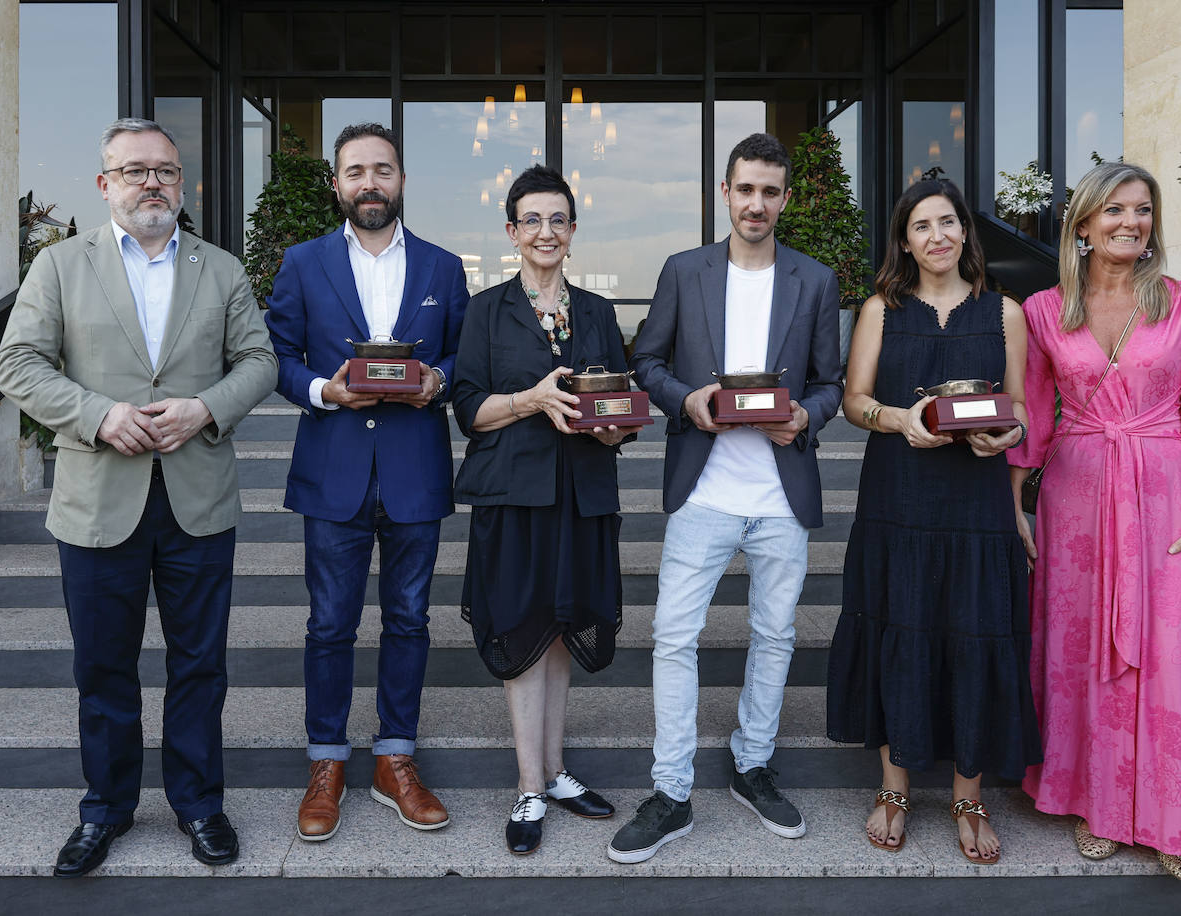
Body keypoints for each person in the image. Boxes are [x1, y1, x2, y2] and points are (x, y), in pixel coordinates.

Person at [0, 118, 277, 877]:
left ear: (183, 184)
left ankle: (199, 805)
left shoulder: (221, 269)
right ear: (104, 184)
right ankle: (106, 809)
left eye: (165, 171)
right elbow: (16, 364)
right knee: (104, 669)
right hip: (97, 500)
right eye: (134, 171)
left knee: (199, 666)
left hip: (198, 497)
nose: (152, 182)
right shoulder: (59, 266)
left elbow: (260, 361)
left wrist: (206, 408)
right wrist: (99, 415)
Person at [1008, 163, 1181, 885]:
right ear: (1081, 225)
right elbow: (1032, 411)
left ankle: (1173, 821)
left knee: (1170, 653)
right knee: (1079, 653)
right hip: (1075, 500)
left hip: (1166, 494)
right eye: (1113, 211)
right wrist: (1011, 502)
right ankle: (1095, 805)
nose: (1130, 223)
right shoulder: (1044, 310)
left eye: (1142, 211)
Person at [609, 133, 844, 864]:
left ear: (785, 199)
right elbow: (644, 360)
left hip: (779, 492)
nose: (757, 203)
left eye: (770, 191)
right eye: (746, 189)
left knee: (775, 637)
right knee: (674, 637)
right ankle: (671, 791)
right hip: (703, 489)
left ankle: (752, 764)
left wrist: (806, 416)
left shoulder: (816, 279)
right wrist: (691, 400)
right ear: (726, 193)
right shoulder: (686, 271)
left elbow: (830, 382)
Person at [825, 179, 1042, 864]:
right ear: (904, 240)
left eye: (948, 223)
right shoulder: (880, 309)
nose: (938, 236)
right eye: (922, 226)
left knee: (972, 637)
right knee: (900, 628)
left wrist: (1006, 438)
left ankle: (967, 795)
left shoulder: (1005, 312)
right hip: (899, 500)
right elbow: (852, 401)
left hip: (977, 507)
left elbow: (1024, 410)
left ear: (965, 234)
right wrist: (899, 419)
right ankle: (893, 789)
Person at [265, 123, 468, 841]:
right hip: (334, 468)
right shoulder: (302, 262)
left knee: (410, 619)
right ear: (338, 184)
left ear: (402, 180)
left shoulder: (444, 268)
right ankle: (327, 763)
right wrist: (324, 389)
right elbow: (278, 353)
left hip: (415, 468)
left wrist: (437, 382)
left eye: (383, 169)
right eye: (356, 171)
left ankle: (395, 758)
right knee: (329, 624)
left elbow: (459, 358)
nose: (370, 182)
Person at [452, 165, 625, 855]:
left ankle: (555, 773)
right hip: (514, 496)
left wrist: (612, 426)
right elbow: (469, 409)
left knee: (559, 629)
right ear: (512, 232)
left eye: (558, 220)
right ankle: (528, 785)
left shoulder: (600, 313)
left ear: (573, 232)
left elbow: (616, 408)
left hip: (582, 495)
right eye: (532, 220)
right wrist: (532, 399)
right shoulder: (484, 310)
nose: (545, 232)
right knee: (524, 633)